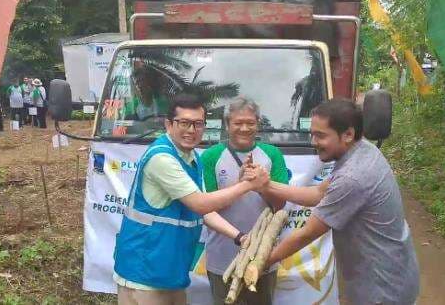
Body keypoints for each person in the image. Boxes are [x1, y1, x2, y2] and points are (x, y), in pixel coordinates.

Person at [256, 99, 420, 305]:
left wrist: (261, 262)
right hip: (390, 272)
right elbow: (318, 192)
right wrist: (266, 185)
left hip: (382, 288)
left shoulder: (353, 177)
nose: (314, 142)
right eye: (312, 134)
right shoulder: (362, 151)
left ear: (348, 134)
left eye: (321, 136)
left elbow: (307, 233)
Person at [113, 93, 270, 305]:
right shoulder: (162, 158)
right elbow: (200, 203)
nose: (191, 130)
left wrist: (240, 237)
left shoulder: (192, 157)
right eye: (184, 123)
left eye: (197, 124)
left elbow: (203, 208)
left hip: (170, 273)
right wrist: (248, 185)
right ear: (169, 124)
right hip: (144, 274)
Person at [201, 97, 288, 305]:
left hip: (263, 255)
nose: (244, 128)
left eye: (250, 122)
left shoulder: (272, 154)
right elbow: (206, 207)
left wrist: (261, 186)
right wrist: (241, 185)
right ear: (227, 125)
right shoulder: (210, 156)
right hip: (222, 256)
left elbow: (280, 205)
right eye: (238, 123)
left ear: (258, 123)